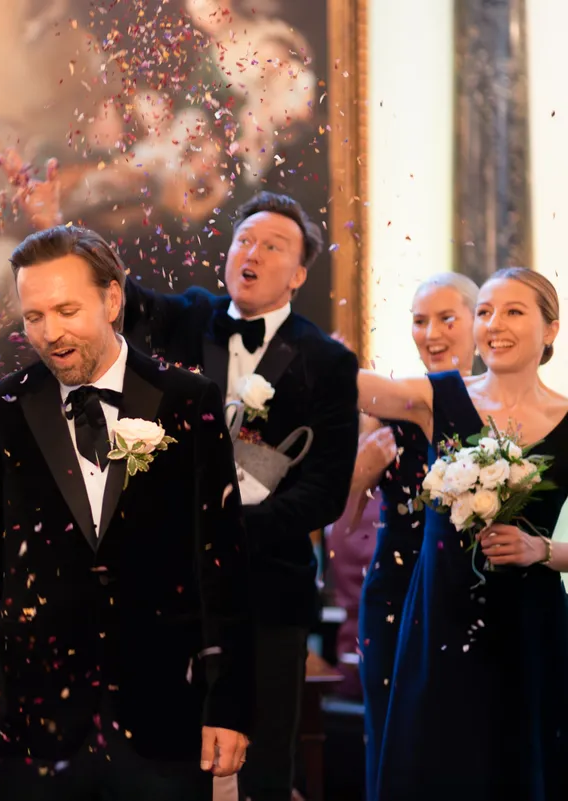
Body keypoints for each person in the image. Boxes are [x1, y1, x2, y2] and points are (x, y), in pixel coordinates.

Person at [0, 225, 253, 801]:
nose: (50, 333)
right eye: (33, 317)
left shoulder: (188, 400)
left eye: (66, 309)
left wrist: (227, 702)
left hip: (163, 713)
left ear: (112, 298)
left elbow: (222, 564)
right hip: (30, 725)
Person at [121, 192, 360, 801]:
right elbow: (123, 300)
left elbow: (326, 492)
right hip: (173, 587)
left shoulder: (327, 361)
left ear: (299, 274)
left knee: (260, 761)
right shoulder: (192, 317)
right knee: (168, 755)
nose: (251, 253)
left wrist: (231, 527)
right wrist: (52, 226)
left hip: (269, 590)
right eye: (244, 240)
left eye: (272, 245)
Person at [357, 267, 568, 800]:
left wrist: (542, 549)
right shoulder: (439, 397)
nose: (494, 324)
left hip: (530, 629)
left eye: (514, 311)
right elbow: (360, 388)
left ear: (550, 330)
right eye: (487, 312)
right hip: (441, 623)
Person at [325, 272, 478, 800]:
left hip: (472, 599)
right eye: (419, 321)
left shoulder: (501, 412)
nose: (430, 333)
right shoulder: (389, 409)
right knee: (394, 744)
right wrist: (360, 474)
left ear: (478, 327)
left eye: (446, 319)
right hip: (393, 590)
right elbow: (338, 531)